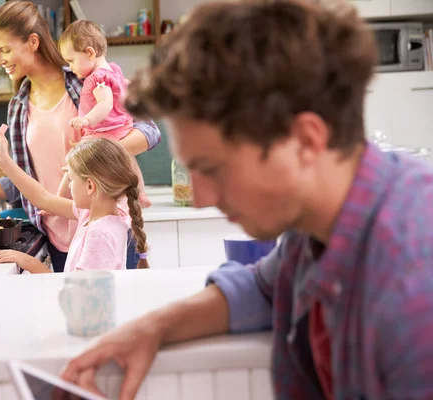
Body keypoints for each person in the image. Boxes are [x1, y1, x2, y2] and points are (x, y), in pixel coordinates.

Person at [61, 1, 433, 399]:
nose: (201, 198)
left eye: (215, 168)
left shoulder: (411, 288)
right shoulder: (318, 223)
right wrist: (150, 328)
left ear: (306, 142)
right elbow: (260, 288)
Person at [0, 1, 160, 272]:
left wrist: (97, 157)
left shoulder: (87, 80)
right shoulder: (18, 107)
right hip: (57, 238)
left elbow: (149, 130)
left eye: (5, 50)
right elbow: (24, 181)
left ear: (32, 42)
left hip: (106, 227)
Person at [0, 135, 149, 273]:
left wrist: (28, 262)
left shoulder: (99, 236)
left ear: (90, 186)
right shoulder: (96, 214)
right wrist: (3, 159)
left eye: (71, 179)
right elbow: (42, 198)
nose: (69, 185)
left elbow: (76, 294)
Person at [55, 20, 151, 208]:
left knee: (73, 160)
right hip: (122, 126)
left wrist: (86, 120)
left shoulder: (98, 77)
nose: (71, 68)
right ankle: (141, 194)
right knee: (127, 158)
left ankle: (58, 202)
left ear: (90, 53)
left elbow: (105, 104)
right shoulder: (113, 70)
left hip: (105, 129)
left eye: (71, 61)